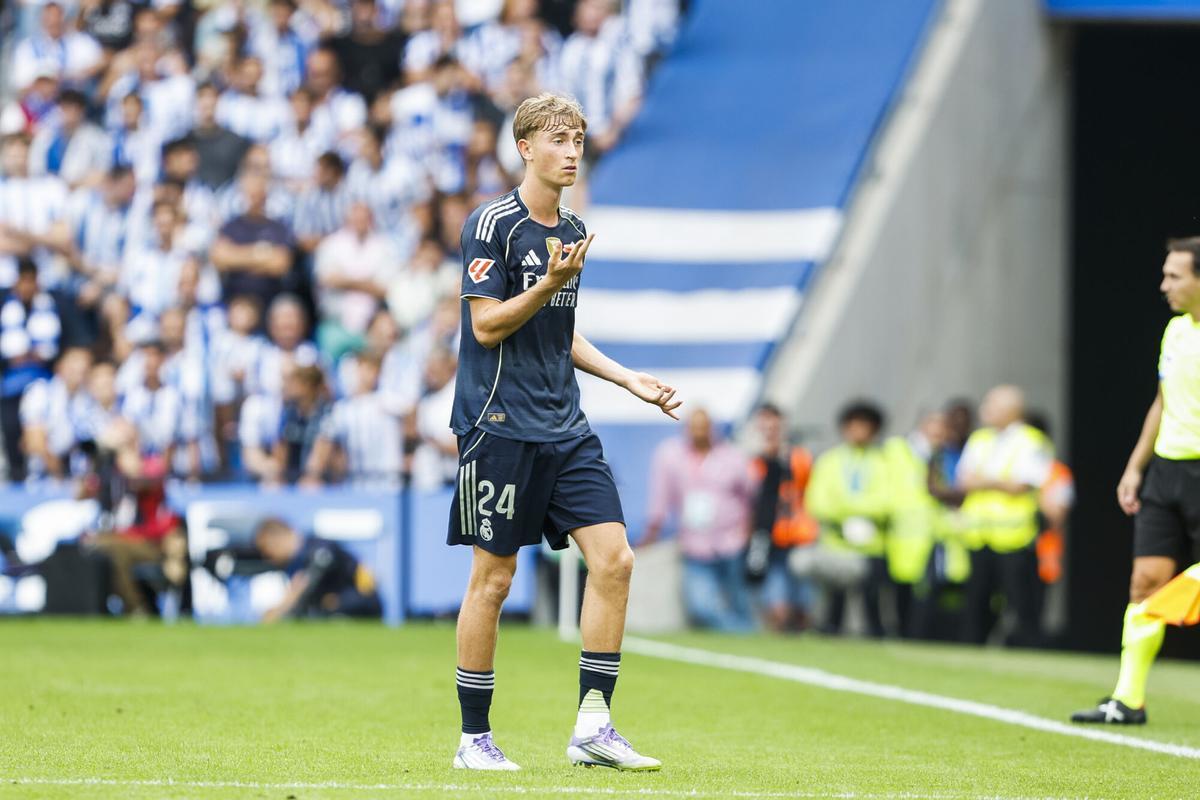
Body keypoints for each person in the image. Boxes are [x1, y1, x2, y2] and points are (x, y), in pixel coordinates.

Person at [447, 93, 677, 771]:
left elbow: (562, 330)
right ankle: (474, 739)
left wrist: (627, 377)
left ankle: (594, 726)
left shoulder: (572, 226)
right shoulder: (490, 225)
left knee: (614, 560)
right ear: (526, 148)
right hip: (498, 424)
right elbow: (486, 324)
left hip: (564, 424)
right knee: (493, 579)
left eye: (578, 139)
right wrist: (547, 285)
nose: (572, 151)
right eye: (558, 140)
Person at [1073, 238, 1200, 725]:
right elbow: (1163, 401)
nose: (1163, 284)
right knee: (1145, 582)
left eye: (1175, 276)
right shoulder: (1174, 331)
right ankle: (1128, 700)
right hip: (1166, 473)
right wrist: (1135, 466)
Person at [644, 407, 756, 633]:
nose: (699, 432)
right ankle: (741, 635)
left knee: (740, 601)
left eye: (703, 427)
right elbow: (661, 498)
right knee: (701, 606)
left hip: (731, 541)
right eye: (694, 427)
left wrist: (746, 532)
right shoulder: (672, 456)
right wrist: (651, 534)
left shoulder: (731, 457)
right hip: (694, 544)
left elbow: (750, 496)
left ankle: (748, 643)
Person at [957, 385, 1053, 648]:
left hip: (1014, 537)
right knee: (977, 599)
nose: (984, 411)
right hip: (978, 535)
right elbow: (964, 480)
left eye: (991, 406)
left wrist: (984, 480)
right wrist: (998, 481)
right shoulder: (979, 439)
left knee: (1021, 601)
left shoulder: (1032, 440)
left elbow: (1023, 484)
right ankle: (973, 646)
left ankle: (1028, 648)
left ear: (1011, 411)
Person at [805, 401, 897, 637]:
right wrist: (852, 511)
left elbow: (887, 501)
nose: (858, 431)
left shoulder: (884, 461)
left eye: (865, 426)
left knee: (872, 601)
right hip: (836, 543)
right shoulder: (830, 461)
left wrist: (847, 506)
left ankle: (875, 638)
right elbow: (817, 502)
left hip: (872, 544)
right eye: (854, 425)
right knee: (834, 602)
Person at [747, 403, 817, 632]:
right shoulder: (754, 464)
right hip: (769, 538)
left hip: (800, 537)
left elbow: (809, 493)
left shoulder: (799, 458)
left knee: (803, 605)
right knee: (777, 605)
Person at [254, 517, 382, 621]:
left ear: (277, 540)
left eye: (268, 551)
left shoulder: (318, 548)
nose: (269, 558)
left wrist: (281, 610)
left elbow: (307, 586)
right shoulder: (294, 562)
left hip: (359, 604)